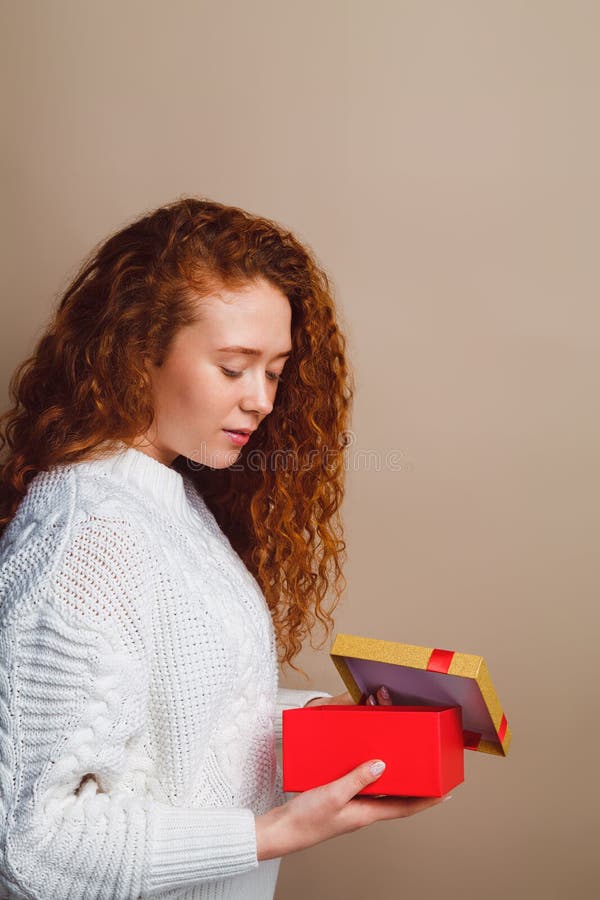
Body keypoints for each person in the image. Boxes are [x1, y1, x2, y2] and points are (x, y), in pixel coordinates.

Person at [0, 197, 444, 900]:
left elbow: (175, 719)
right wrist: (276, 831)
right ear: (136, 353)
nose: (262, 400)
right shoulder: (89, 535)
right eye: (234, 368)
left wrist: (315, 726)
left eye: (274, 370)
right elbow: (33, 842)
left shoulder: (168, 499)